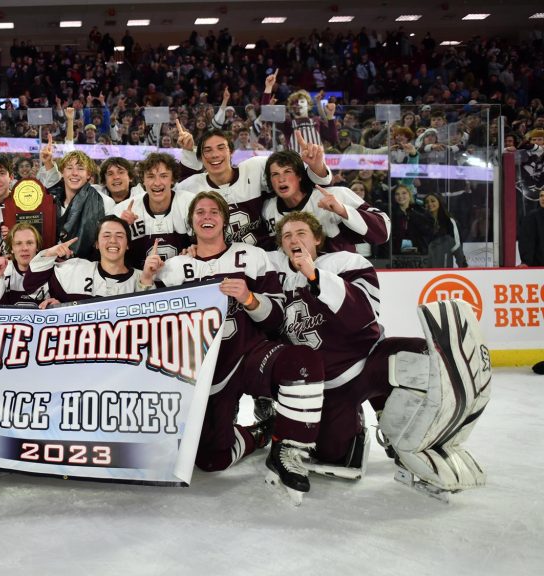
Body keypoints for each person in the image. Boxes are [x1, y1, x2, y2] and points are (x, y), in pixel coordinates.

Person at [269, 211, 491, 493]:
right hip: (332, 387)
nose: (294, 239)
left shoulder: (345, 261)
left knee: (429, 360)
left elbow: (363, 314)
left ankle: (400, 422)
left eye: (301, 233)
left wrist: (315, 276)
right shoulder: (278, 282)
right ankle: (357, 423)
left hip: (372, 359)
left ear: (317, 238)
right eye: (287, 235)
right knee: (332, 454)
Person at [138, 191, 326, 503]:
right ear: (191, 222)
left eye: (214, 211)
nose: (207, 216)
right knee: (212, 460)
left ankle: (288, 448)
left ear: (224, 220)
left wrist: (250, 299)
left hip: (248, 355)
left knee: (302, 362)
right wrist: (146, 280)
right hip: (198, 371)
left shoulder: (251, 256)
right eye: (200, 212)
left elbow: (278, 316)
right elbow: (146, 327)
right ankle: (260, 432)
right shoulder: (172, 268)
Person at [175, 124, 332, 247]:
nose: (215, 154)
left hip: (263, 257)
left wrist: (316, 166)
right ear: (201, 157)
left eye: (221, 147)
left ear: (231, 151)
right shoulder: (190, 187)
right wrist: (188, 152)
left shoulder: (256, 167)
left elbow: (297, 177)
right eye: (207, 150)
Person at [261, 150, 389, 253]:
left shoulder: (335, 195)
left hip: (339, 277)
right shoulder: (268, 208)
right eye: (275, 174)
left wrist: (343, 211)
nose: (281, 179)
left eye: (287, 171)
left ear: (300, 176)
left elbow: (383, 231)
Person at [24, 216, 146, 304]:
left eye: (119, 236)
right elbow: (33, 287)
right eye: (106, 235)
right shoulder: (76, 269)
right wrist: (49, 253)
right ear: (97, 244)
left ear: (128, 244)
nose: (113, 240)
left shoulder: (143, 279)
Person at [113, 152, 193, 268]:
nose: (157, 183)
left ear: (172, 179)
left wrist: (196, 248)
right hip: (138, 280)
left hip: (182, 282)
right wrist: (120, 228)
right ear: (143, 181)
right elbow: (106, 251)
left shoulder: (189, 203)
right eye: (150, 176)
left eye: (164, 176)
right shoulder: (122, 210)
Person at [0, 223, 50, 307]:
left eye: (30, 243)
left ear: (37, 247)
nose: (24, 248)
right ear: (11, 248)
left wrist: (55, 304)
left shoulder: (50, 270)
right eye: (18, 243)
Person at [424, 192, 468, 268]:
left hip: (443, 268)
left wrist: (463, 266)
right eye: (427, 202)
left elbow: (457, 245)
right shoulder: (422, 221)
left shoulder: (449, 221)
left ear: (440, 202)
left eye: (433, 201)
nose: (429, 204)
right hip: (424, 268)